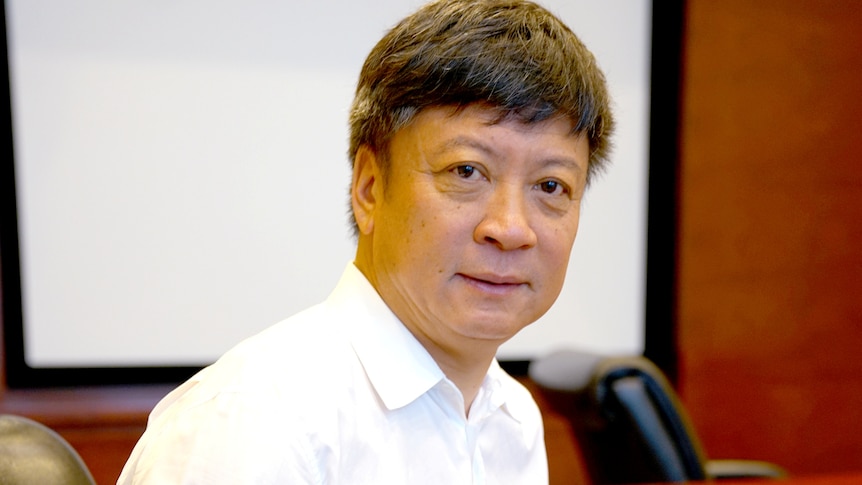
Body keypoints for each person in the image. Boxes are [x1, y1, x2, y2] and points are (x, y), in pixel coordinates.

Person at [118, 0, 613, 483]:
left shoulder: (513, 419)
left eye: (551, 186)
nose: (509, 229)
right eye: (466, 171)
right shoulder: (256, 423)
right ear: (369, 189)